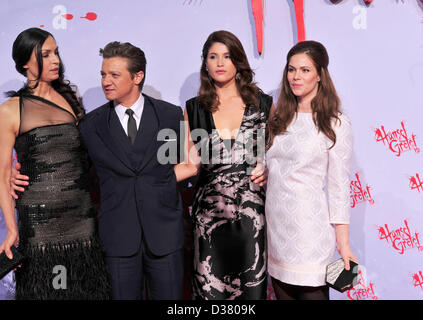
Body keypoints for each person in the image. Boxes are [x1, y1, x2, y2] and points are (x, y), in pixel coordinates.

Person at [10, 41, 186, 300]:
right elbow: (70, 165)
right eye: (103, 74)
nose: (106, 81)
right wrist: (20, 170)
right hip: (117, 238)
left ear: (137, 77)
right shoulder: (90, 125)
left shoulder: (170, 115)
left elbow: (178, 165)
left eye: (114, 75)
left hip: (165, 235)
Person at [0, 28, 111, 299]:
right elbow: (3, 176)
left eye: (56, 53)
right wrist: (12, 229)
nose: (55, 60)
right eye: (46, 54)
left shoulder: (70, 101)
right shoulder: (11, 109)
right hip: (39, 227)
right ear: (25, 62)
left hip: (82, 219)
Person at [174, 30, 272, 300]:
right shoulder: (194, 108)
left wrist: (268, 169)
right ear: (204, 62)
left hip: (252, 225)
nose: (219, 63)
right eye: (213, 56)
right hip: (208, 224)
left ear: (238, 61)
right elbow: (188, 164)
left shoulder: (262, 105)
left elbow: (277, 157)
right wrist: (145, 179)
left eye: (227, 56)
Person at [265, 40, 358, 300]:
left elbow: (340, 187)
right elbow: (273, 165)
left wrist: (344, 244)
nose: (296, 77)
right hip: (276, 230)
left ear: (320, 75)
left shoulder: (335, 123)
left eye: (305, 70)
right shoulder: (279, 119)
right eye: (291, 69)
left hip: (309, 232)